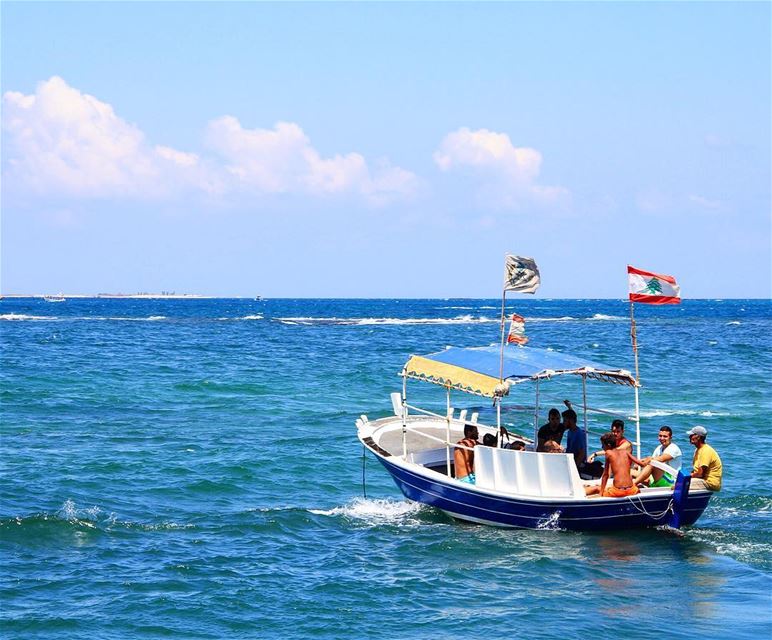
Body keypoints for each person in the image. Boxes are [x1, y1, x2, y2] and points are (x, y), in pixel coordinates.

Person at [586, 432, 646, 497]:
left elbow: (605, 475)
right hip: (632, 490)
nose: (602, 447)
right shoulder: (625, 452)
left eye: (603, 445)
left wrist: (601, 493)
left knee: (597, 488)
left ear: (608, 445)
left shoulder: (608, 453)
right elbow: (642, 464)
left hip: (618, 492)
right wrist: (648, 459)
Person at [687, 425, 722, 491]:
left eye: (691, 435)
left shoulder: (706, 451)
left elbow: (700, 474)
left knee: (678, 486)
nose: (689, 437)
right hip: (702, 480)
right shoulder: (698, 450)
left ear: (698, 437)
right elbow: (696, 471)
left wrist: (687, 477)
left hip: (709, 482)